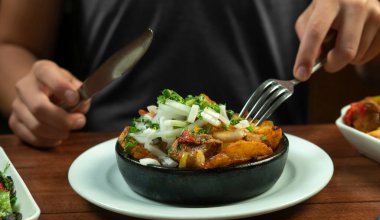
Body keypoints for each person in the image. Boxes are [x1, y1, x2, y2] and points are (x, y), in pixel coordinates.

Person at [0, 0, 379, 148]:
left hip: (273, 160)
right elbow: (11, 44)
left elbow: (369, 67)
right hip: (102, 160)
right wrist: (31, 97)